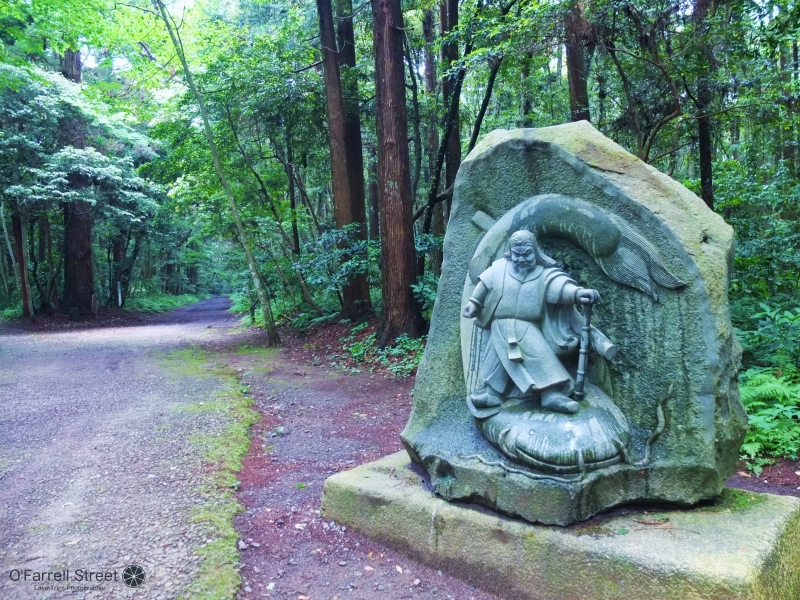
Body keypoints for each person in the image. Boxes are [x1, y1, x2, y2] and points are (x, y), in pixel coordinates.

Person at [462, 229, 604, 415]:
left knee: (540, 358)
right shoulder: (499, 268)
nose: (521, 259)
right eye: (516, 254)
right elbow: (484, 285)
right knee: (497, 363)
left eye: (526, 254)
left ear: (535, 251)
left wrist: (577, 294)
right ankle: (493, 394)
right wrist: (474, 303)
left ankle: (551, 395)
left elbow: (560, 287)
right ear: (510, 252)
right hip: (499, 326)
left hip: (528, 328)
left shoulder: (544, 274)